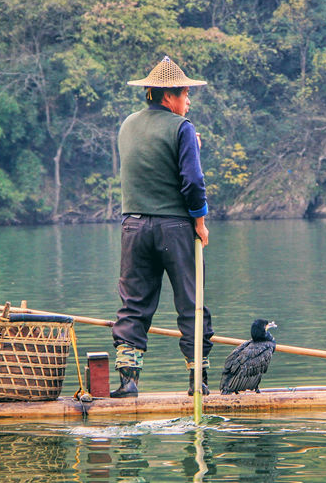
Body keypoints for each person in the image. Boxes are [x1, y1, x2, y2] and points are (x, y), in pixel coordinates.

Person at [110, 56, 214, 398]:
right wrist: (199, 222)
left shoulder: (127, 125)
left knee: (134, 303)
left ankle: (128, 382)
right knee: (191, 302)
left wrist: (188, 148)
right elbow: (192, 183)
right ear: (167, 96)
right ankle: (196, 379)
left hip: (133, 228)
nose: (188, 100)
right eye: (185, 94)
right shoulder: (181, 128)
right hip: (174, 228)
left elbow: (150, 162)